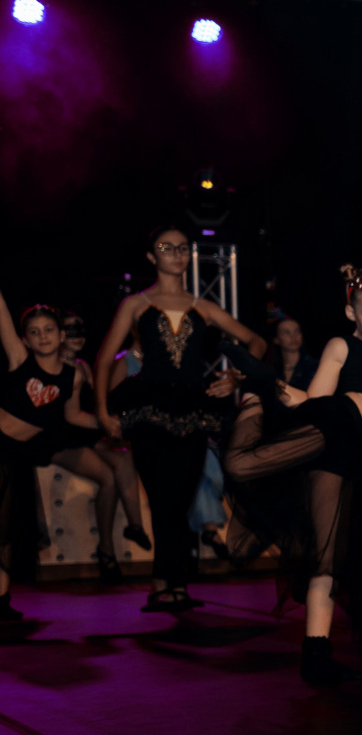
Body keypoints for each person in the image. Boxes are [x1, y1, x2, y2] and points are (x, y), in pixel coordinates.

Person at [223, 268, 362, 684]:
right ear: (351, 313)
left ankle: (316, 654)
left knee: (328, 556)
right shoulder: (342, 345)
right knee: (241, 465)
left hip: (356, 456)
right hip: (338, 425)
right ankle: (257, 390)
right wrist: (273, 388)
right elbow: (314, 400)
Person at [94, 227, 267, 612]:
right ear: (151, 256)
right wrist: (103, 411)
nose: (175, 253)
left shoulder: (203, 307)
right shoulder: (135, 305)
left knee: (182, 498)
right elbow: (105, 360)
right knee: (161, 498)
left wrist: (235, 377)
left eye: (182, 248)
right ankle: (164, 583)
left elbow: (256, 342)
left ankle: (173, 584)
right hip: (149, 411)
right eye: (166, 247)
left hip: (193, 412)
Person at [0, 303, 133, 613]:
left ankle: (2, 600)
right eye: (34, 332)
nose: (42, 336)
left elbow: (73, 416)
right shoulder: (20, 360)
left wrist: (108, 422)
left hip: (15, 456)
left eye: (49, 330)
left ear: (61, 336)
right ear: (25, 340)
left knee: (5, 530)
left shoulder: (72, 377)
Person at [269, 312, 320, 391]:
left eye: (297, 331)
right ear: (276, 339)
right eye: (286, 333)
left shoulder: (314, 366)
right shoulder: (272, 370)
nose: (293, 337)